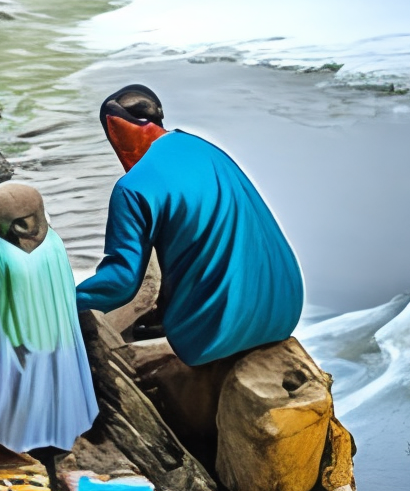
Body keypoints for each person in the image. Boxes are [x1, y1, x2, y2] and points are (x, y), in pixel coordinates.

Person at [76, 85, 304, 366]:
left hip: (215, 335)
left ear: (114, 130)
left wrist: (63, 303)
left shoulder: (132, 188)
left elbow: (122, 282)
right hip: (285, 311)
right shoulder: (203, 147)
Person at [0, 182, 98, 469]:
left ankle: (19, 437)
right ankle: (53, 435)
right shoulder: (54, 243)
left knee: (19, 387)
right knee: (50, 380)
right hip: (57, 338)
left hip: (18, 341)